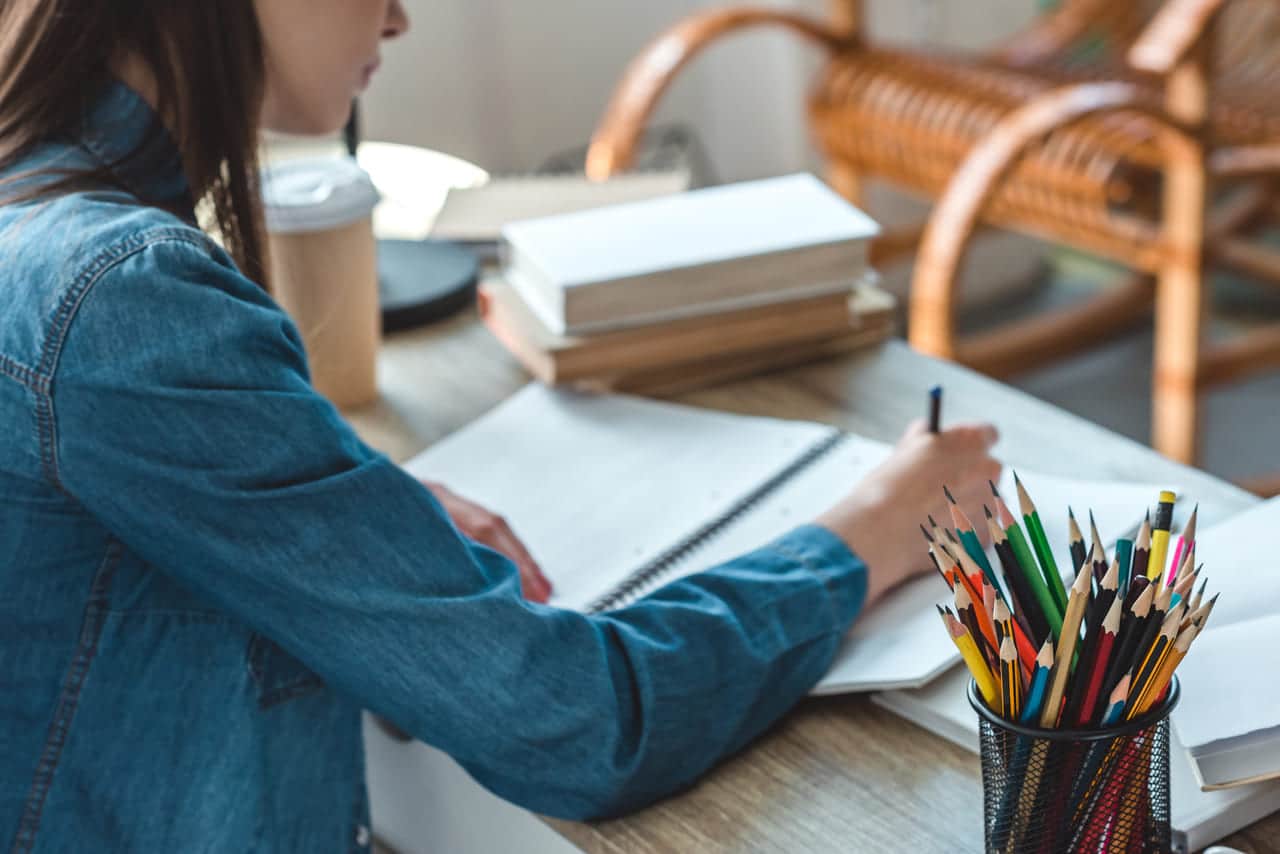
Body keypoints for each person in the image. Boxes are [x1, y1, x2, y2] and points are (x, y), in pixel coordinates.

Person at [0, 1, 1002, 849]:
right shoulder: (124, 298)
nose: (398, 16)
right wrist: (869, 530)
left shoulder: (44, 213)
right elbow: (572, 721)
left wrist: (349, 506)